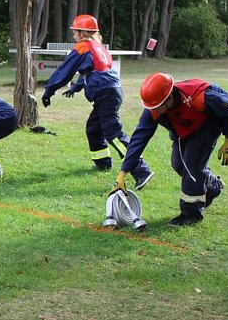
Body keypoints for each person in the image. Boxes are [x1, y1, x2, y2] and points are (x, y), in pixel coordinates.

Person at [40, 14, 153, 189]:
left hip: (105, 93)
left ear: (82, 33)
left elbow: (65, 70)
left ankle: (141, 169)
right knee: (93, 128)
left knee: (113, 133)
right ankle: (103, 163)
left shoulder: (82, 47)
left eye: (74, 32)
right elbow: (93, 70)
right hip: (110, 90)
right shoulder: (98, 46)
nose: (73, 35)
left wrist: (49, 90)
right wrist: (76, 88)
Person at [114, 72, 228, 226]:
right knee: (178, 164)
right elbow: (139, 139)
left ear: (169, 98)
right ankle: (213, 186)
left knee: (191, 165)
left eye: (157, 107)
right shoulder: (154, 107)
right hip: (183, 127)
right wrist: (123, 173)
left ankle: (190, 215)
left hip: (207, 125)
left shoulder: (200, 97)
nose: (155, 111)